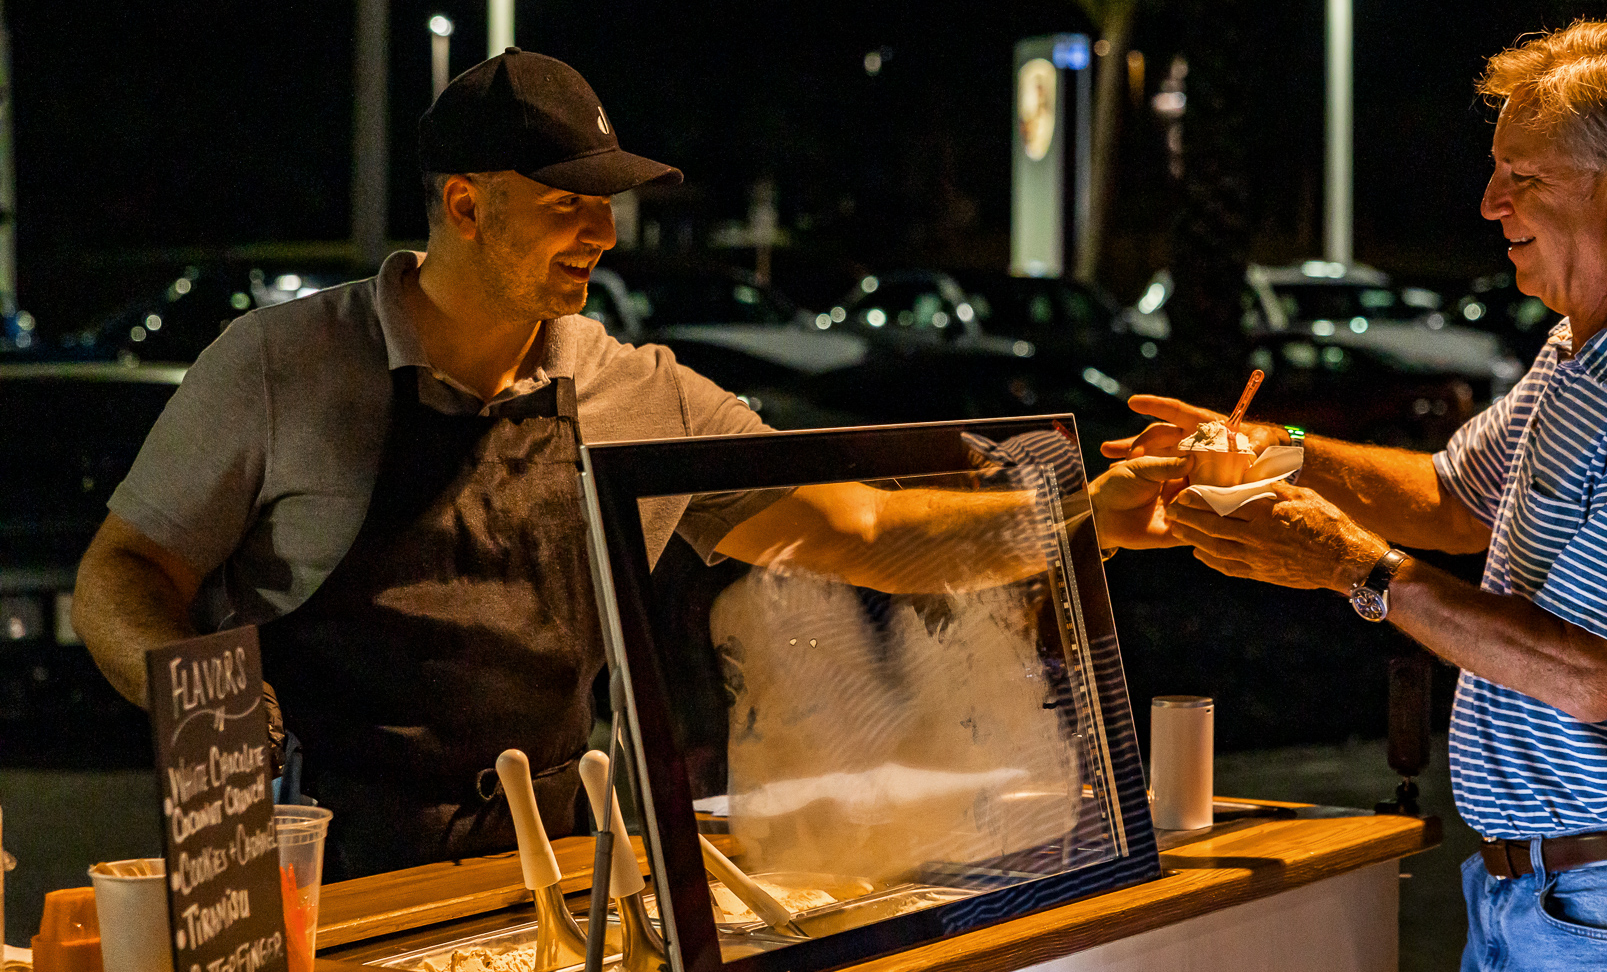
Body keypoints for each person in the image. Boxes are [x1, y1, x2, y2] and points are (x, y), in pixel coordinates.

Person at [71, 47, 1173, 880]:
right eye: (566, 204)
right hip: (313, 869)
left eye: (607, 203)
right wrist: (203, 705)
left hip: (548, 873)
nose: (601, 231)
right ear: (464, 204)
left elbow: (858, 532)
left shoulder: (638, 390)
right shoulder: (280, 364)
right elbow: (125, 574)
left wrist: (1081, 521)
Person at [1109, 20, 1607, 970]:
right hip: (1559, 896)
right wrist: (1285, 450)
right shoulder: (1584, 352)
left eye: (1522, 177)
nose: (1489, 204)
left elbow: (1587, 675)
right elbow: (1449, 495)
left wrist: (1348, 564)